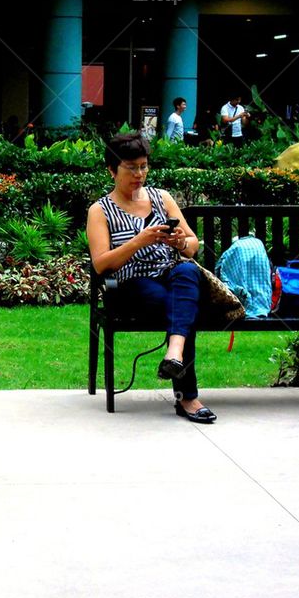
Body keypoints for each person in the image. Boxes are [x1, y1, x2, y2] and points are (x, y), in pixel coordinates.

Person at [86, 132, 216, 423]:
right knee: (181, 305)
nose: (139, 174)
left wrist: (180, 242)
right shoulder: (100, 211)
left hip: (172, 275)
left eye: (144, 166)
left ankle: (174, 352)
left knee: (186, 271)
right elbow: (101, 265)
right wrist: (138, 241)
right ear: (112, 169)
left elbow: (193, 246)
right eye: (131, 167)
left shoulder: (162, 198)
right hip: (132, 284)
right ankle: (188, 397)